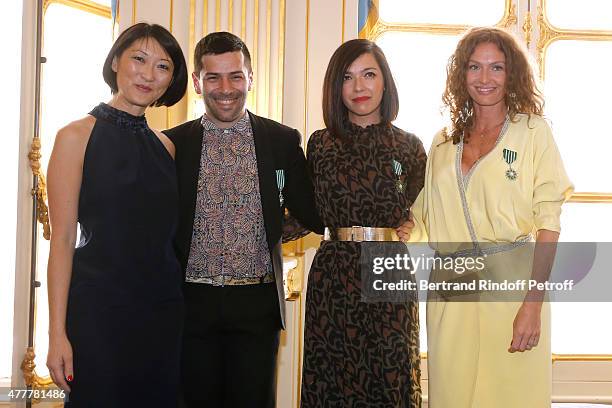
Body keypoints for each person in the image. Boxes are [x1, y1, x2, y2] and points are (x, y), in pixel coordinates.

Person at [404, 27, 573, 407]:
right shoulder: (443, 142)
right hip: (451, 293)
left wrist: (532, 304)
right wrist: (399, 227)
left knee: (512, 396)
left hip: (513, 289)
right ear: (461, 75)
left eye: (496, 68)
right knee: (453, 395)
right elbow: (426, 217)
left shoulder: (533, 133)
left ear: (511, 74)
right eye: (474, 67)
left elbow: (549, 222)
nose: (485, 79)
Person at [163, 31, 323, 408]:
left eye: (235, 76)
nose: (226, 88)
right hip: (191, 304)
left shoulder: (282, 141)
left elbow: (314, 211)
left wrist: (393, 216)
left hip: (256, 305)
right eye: (213, 77)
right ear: (198, 84)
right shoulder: (172, 144)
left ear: (250, 78)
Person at [45, 23, 188, 407]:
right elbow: (61, 240)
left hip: (162, 312)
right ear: (115, 62)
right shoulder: (75, 136)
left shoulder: (166, 147)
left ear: (171, 80)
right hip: (98, 313)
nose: (148, 73)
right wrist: (56, 333)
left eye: (163, 66)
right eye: (139, 59)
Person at [300, 39, 426, 407]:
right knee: (332, 378)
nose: (359, 87)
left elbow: (427, 206)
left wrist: (411, 221)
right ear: (335, 88)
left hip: (388, 268)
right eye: (348, 77)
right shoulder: (319, 145)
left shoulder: (410, 147)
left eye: (369, 75)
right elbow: (306, 211)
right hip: (334, 273)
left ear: (385, 82)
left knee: (392, 373)